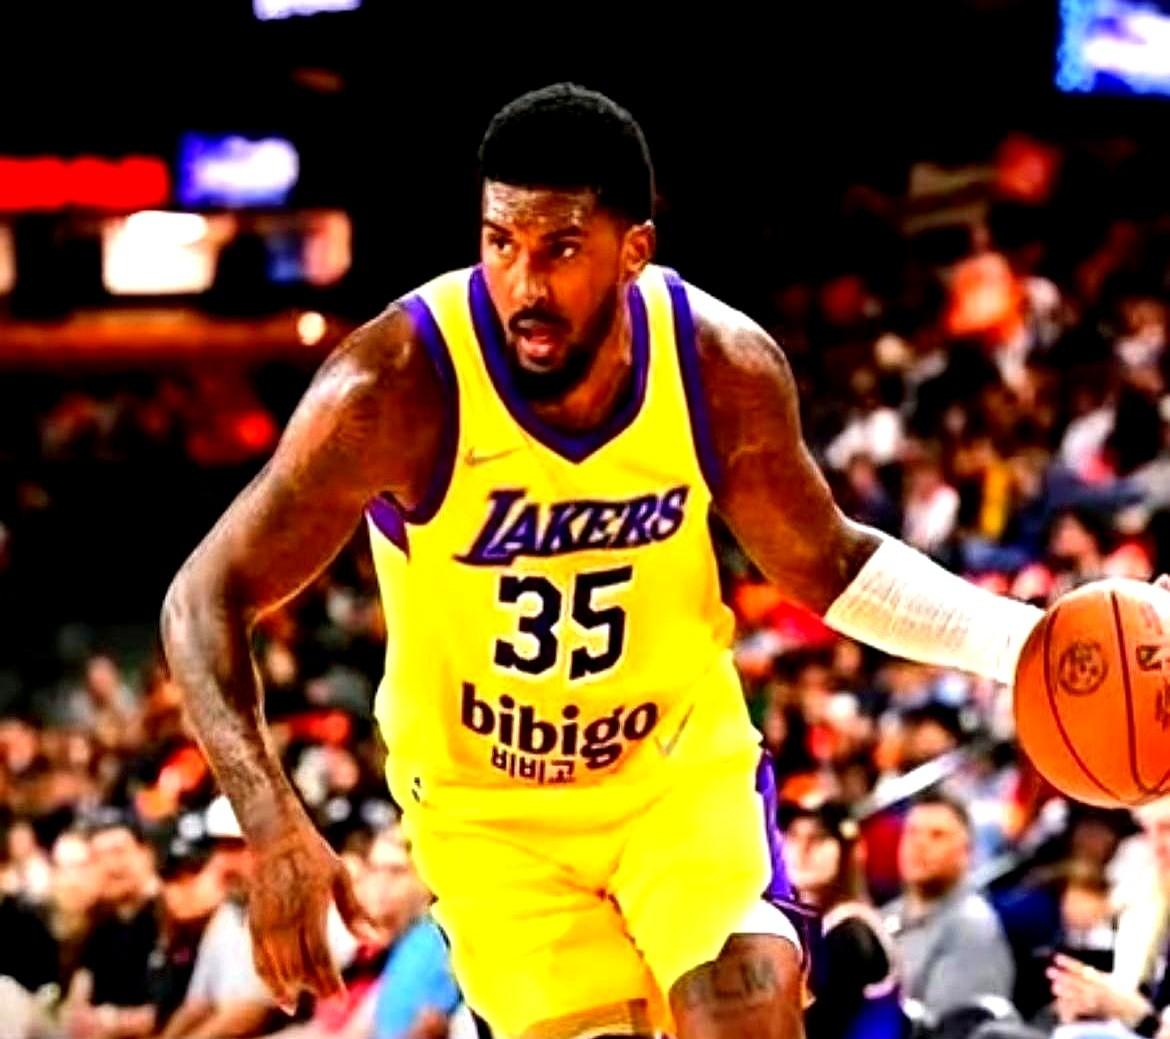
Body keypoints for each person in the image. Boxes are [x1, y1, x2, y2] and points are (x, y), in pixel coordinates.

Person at [162, 83, 1058, 1039]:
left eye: (560, 248)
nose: (523, 284)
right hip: (492, 813)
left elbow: (830, 562)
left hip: (674, 777)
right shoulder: (393, 386)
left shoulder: (719, 366)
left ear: (634, 249)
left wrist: (1030, 642)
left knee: (743, 1003)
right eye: (500, 242)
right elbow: (203, 595)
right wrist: (270, 820)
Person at [883, 792, 1015, 1018]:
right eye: (912, 832)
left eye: (937, 835)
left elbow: (952, 1028)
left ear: (966, 852)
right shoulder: (886, 916)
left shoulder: (972, 927)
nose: (919, 845)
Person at [780, 799, 902, 1039]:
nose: (803, 849)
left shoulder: (850, 933)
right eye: (794, 836)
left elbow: (820, 1029)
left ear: (849, 851)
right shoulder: (814, 927)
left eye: (818, 838)